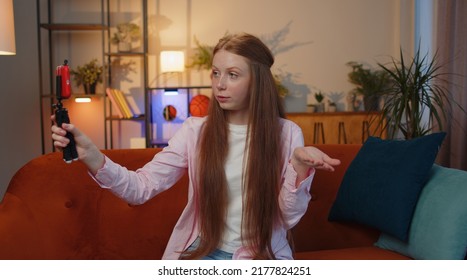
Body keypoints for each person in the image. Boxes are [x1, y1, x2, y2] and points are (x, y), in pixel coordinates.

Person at [51, 33, 341, 260]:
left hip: (261, 255)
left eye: (232, 74)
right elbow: (140, 188)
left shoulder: (287, 134)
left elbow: (287, 218)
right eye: (216, 73)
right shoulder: (195, 131)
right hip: (204, 252)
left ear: (258, 81)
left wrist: (299, 167)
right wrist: (91, 155)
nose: (219, 85)